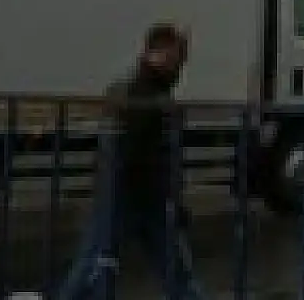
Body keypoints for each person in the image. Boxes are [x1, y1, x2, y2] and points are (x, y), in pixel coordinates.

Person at [55, 23, 207, 300]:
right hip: (135, 194)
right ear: (160, 53)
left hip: (132, 193)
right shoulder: (146, 96)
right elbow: (135, 151)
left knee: (96, 262)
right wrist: (169, 197)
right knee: (101, 263)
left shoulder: (138, 88)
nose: (181, 68)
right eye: (178, 59)